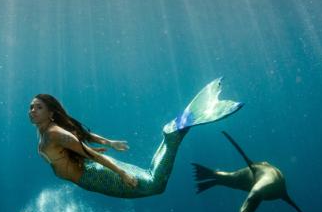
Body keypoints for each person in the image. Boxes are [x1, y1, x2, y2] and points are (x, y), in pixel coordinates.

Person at [29, 78, 243, 198]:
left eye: (38, 107)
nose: (32, 111)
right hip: (91, 170)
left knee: (155, 186)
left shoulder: (54, 133)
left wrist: (121, 173)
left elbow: (88, 153)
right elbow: (84, 135)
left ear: (50, 112)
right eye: (31, 107)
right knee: (151, 177)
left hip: (93, 175)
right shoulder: (50, 129)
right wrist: (109, 142)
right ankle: (173, 134)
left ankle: (173, 135)